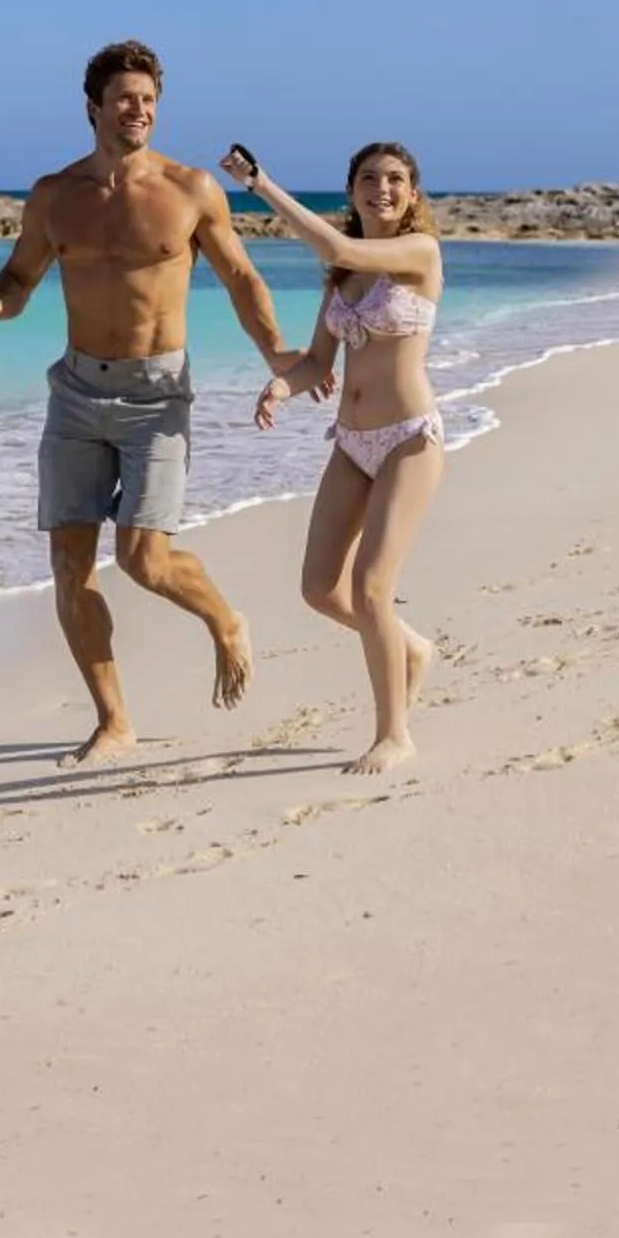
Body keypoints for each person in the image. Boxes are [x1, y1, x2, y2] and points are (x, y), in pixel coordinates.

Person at [0, 40, 303, 765]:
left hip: (156, 394)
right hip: (79, 389)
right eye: (125, 99)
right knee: (68, 565)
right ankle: (114, 721)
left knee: (146, 560)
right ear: (93, 108)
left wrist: (278, 355)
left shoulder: (190, 189)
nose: (139, 110)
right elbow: (20, 275)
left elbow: (241, 279)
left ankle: (225, 619)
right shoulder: (54, 195)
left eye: (149, 100)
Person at [227, 140, 446, 775]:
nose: (383, 188)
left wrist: (262, 185)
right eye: (370, 178)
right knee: (320, 589)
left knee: (372, 588)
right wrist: (280, 384)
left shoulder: (419, 254)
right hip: (351, 443)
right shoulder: (343, 278)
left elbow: (340, 246)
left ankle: (394, 734)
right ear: (351, 189)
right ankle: (410, 649)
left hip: (408, 438)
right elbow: (320, 363)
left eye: (397, 180)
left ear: (412, 193)